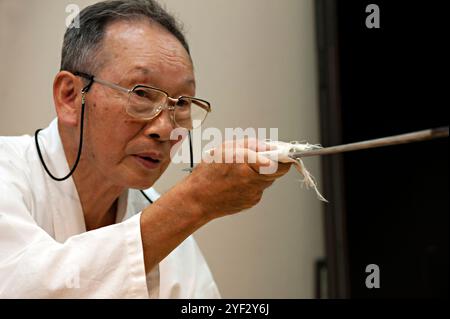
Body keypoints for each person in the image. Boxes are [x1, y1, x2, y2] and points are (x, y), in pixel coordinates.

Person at [0, 0, 290, 298]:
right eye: (141, 93)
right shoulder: (7, 171)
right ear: (70, 96)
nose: (165, 129)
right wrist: (195, 201)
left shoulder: (151, 207)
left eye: (182, 104)